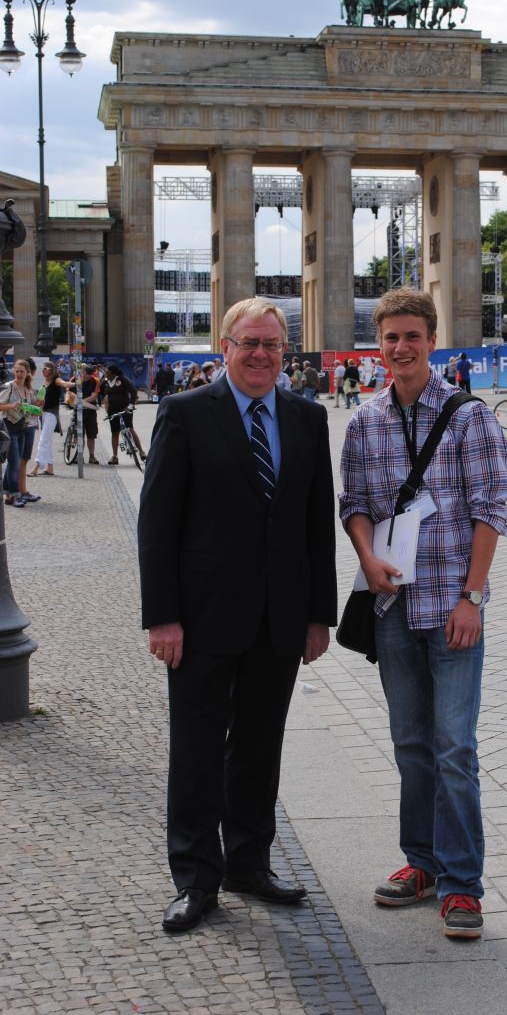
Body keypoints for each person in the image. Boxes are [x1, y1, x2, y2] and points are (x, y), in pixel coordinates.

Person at [139, 297, 337, 935]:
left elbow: (314, 525)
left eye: (271, 345)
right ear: (224, 347)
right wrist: (162, 616)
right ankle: (196, 879)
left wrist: (317, 616)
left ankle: (248, 862)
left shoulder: (308, 418)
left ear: (286, 352)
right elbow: (158, 524)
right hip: (199, 620)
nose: (260, 355)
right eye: (248, 343)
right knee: (197, 750)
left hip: (278, 620)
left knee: (258, 746)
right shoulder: (185, 413)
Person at [340, 287, 507, 939]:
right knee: (411, 744)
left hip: (452, 607)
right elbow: (353, 502)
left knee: (454, 747)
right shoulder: (364, 421)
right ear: (377, 344)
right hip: (392, 605)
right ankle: (422, 862)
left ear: (432, 340)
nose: (401, 347)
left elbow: (490, 510)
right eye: (391, 337)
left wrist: (473, 596)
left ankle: (463, 882)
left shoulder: (471, 417)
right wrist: (365, 553)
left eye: (413, 336)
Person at [0, 360, 41, 506]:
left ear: (27, 373)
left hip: (22, 428)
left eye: (21, 371)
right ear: (13, 371)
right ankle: (16, 495)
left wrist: (35, 409)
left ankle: (8, 494)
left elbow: (30, 407)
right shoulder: (9, 386)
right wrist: (12, 405)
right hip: (9, 428)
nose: (19, 374)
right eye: (16, 371)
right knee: (15, 462)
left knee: (14, 462)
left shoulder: (28, 388)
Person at [31, 361, 74, 477]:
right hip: (44, 414)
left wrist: (76, 383)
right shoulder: (46, 382)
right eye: (43, 369)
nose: (43, 370)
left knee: (43, 441)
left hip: (51, 414)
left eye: (45, 368)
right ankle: (50, 468)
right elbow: (42, 399)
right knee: (47, 441)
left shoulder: (56, 380)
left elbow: (65, 384)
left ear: (51, 370)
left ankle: (36, 466)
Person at [102, 363, 147, 465]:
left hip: (125, 408)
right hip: (112, 410)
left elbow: (133, 391)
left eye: (107, 372)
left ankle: (141, 451)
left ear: (113, 373)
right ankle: (114, 457)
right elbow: (103, 394)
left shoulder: (121, 379)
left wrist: (131, 405)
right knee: (115, 432)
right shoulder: (106, 382)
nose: (105, 373)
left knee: (130, 428)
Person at [78, 363, 102, 463]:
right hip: (78, 411)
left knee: (91, 435)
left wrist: (80, 401)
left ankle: (92, 456)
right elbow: (69, 392)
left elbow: (94, 396)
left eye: (88, 373)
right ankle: (79, 456)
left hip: (90, 411)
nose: (85, 375)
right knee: (79, 434)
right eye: (84, 372)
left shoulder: (95, 381)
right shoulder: (75, 380)